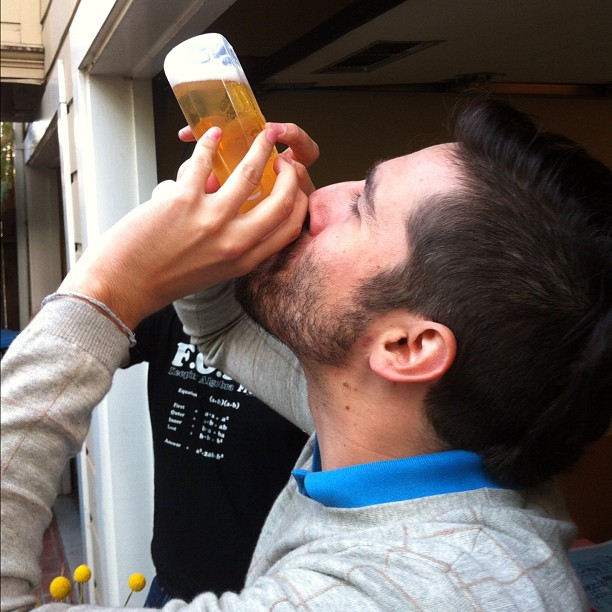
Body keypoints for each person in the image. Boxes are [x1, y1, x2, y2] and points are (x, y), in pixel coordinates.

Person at [1, 98, 611, 611]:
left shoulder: (396, 593)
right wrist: (238, 220)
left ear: (407, 347)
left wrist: (106, 286)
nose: (320, 194)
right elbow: (220, 335)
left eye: (362, 205)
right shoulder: (429, 437)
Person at [128, 305, 306, 604]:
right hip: (171, 591)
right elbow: (75, 339)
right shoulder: (176, 304)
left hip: (269, 598)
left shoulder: (307, 319)